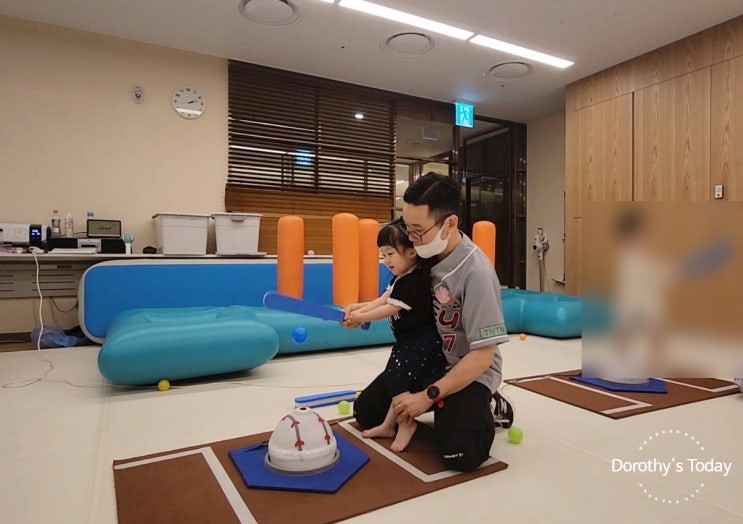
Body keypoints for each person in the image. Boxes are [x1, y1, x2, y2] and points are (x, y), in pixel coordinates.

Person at [351, 172, 514, 472]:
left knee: (460, 454)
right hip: (427, 361)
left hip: (467, 370)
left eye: (418, 231)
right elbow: (393, 294)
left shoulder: (475, 272)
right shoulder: (422, 253)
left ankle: (491, 405)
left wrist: (428, 396)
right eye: (407, 228)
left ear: (449, 224)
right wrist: (360, 310)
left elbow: (483, 355)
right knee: (365, 412)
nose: (410, 239)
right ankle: (443, 407)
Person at [344, 219, 446, 451]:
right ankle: (388, 425)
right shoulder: (401, 277)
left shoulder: (413, 281)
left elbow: (390, 308)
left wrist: (361, 317)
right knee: (395, 379)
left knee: (399, 381)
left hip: (421, 343)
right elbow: (382, 299)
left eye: (390, 254)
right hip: (408, 342)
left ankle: (406, 422)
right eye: (383, 255)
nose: (386, 260)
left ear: (411, 252)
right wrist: (358, 310)